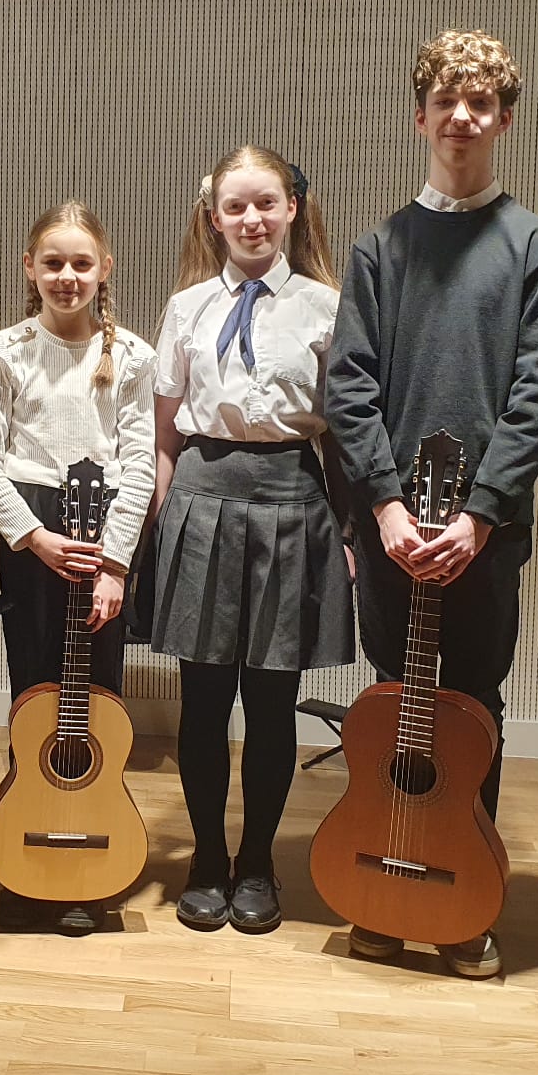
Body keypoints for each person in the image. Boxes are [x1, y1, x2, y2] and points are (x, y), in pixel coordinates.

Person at [325, 28, 538, 979]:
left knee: (470, 711)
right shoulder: (379, 248)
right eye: (445, 102)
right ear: (419, 117)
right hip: (392, 531)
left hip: (484, 535)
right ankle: (385, 890)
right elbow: (349, 386)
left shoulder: (534, 247)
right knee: (397, 700)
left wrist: (480, 514)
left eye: (481, 104)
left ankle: (466, 902)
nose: (462, 117)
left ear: (503, 120)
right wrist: (387, 508)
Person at [150, 146, 354, 937]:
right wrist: (160, 528)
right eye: (235, 206)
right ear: (214, 217)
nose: (251, 219)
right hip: (202, 500)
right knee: (203, 700)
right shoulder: (187, 308)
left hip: (290, 501)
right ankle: (207, 858)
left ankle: (259, 862)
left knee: (271, 701)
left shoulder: (328, 309)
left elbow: (341, 436)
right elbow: (164, 437)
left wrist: (346, 534)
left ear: (292, 208)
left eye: (266, 202)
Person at [0, 200, 155, 935]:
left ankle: (87, 857)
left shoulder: (130, 357)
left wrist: (115, 566)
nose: (67, 276)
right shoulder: (6, 351)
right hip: (33, 534)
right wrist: (32, 537)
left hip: (102, 531)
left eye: (81, 263)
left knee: (95, 697)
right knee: (33, 696)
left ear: (105, 269)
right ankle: (26, 853)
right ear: (30, 268)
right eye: (53, 263)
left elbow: (140, 465)